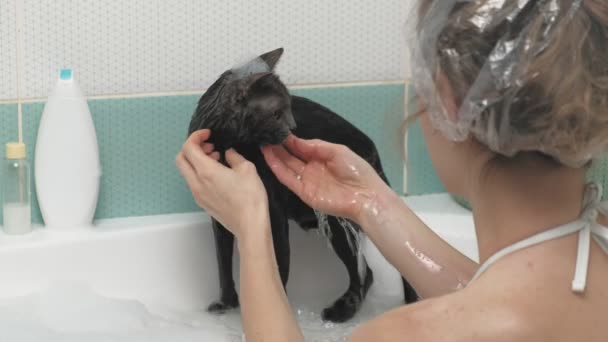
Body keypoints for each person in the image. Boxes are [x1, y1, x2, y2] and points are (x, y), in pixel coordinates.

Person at [176, 0, 608, 340]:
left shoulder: (409, 334)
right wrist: (370, 202)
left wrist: (253, 232)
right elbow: (502, 302)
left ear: (452, 105)